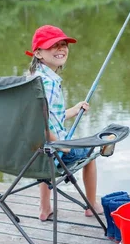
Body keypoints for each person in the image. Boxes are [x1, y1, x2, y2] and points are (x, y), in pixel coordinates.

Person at [26, 25, 104, 221]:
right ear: (38, 52)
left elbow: (48, 116)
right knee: (90, 154)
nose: (61, 49)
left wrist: (74, 110)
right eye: (53, 45)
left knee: (44, 158)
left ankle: (45, 208)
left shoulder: (32, 78)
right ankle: (91, 205)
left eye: (63, 45)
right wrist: (61, 145)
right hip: (52, 148)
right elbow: (40, 124)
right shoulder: (49, 83)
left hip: (32, 153)